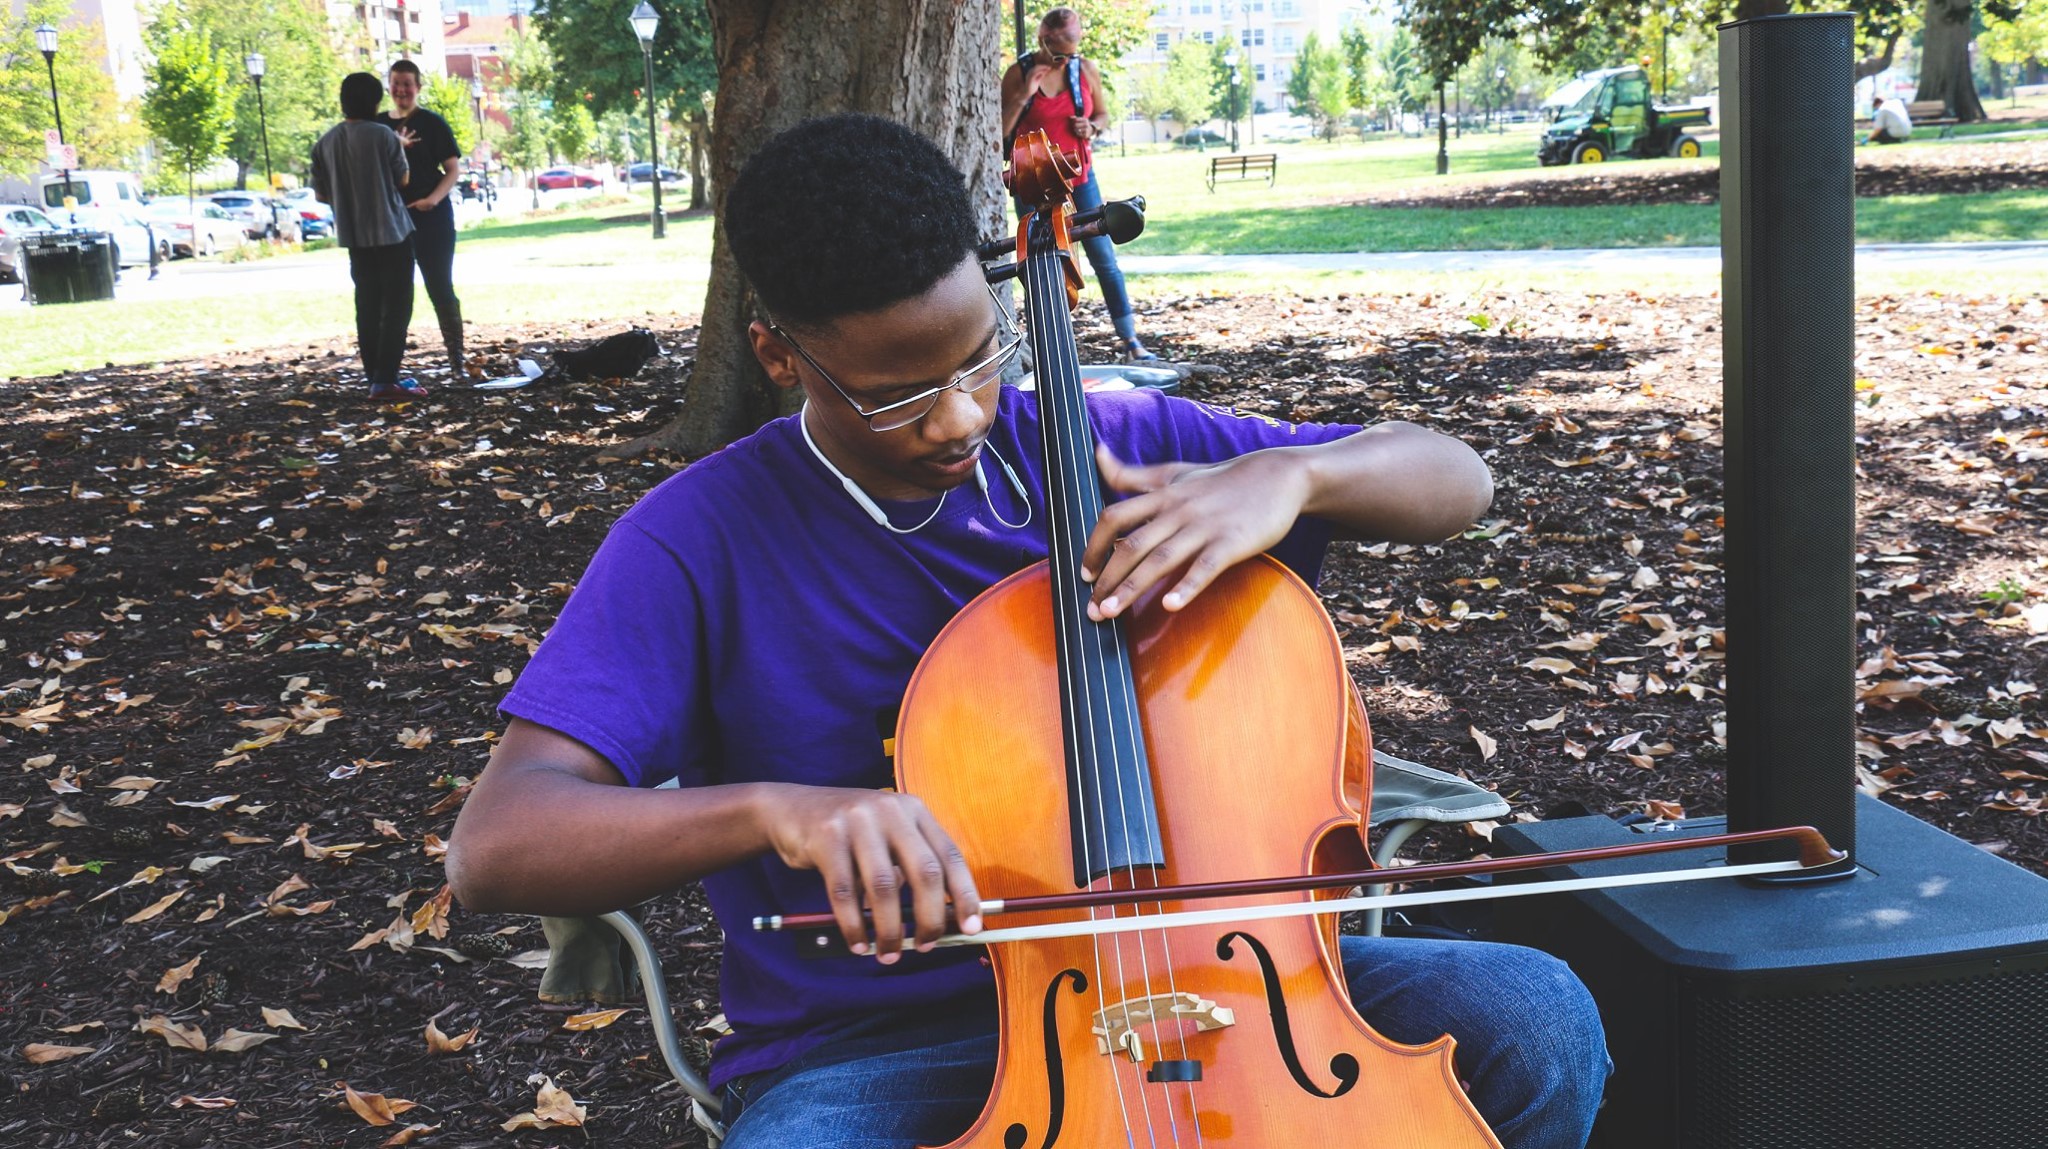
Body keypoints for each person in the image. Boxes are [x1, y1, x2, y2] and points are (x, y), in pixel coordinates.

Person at [446, 113, 1609, 1149]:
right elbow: (496, 847)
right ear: (778, 355)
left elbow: (1456, 479)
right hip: (884, 1049)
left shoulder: (1105, 447)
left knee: (1531, 1019)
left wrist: (1294, 477)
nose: (957, 417)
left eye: (976, 357)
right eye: (897, 393)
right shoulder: (696, 540)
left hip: (1229, 981)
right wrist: (773, 809)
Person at [1001, 6, 1159, 364]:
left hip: (1080, 178)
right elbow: (999, 130)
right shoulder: (1018, 73)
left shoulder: (1084, 70)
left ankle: (1130, 339)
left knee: (1103, 257)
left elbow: (1101, 114)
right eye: (1059, 53)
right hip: (1033, 185)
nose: (1066, 59)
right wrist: (1025, 94)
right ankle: (1050, 345)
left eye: (1072, 51)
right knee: (1039, 263)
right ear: (1044, 39)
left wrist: (1093, 127)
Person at [310, 72, 423, 401]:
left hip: (354, 234)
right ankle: (387, 379)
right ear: (375, 102)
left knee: (368, 304)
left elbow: (320, 195)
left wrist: (349, 195)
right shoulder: (383, 135)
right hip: (392, 231)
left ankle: (375, 376)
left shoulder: (325, 142)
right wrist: (399, 146)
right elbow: (402, 179)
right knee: (398, 305)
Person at [378, 59, 469, 380]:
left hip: (432, 219)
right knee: (394, 294)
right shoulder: (376, 127)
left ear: (418, 87)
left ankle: (457, 362)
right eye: (395, 82)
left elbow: (453, 168)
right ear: (388, 85)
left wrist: (433, 199)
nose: (401, 89)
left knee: (440, 286)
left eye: (407, 83)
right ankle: (388, 370)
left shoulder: (433, 123)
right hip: (392, 222)